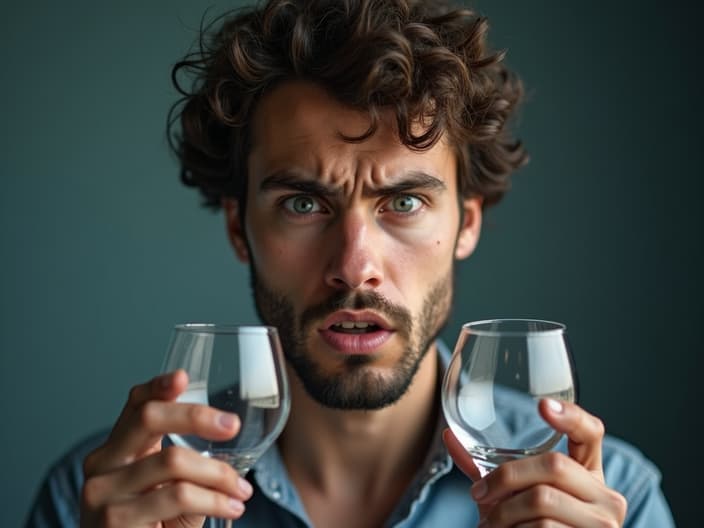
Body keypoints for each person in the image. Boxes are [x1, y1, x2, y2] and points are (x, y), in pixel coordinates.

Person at [27, 0, 674, 526]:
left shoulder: (611, 499)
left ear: (466, 222)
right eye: (305, 202)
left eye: (405, 201)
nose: (355, 265)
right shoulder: (107, 500)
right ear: (238, 225)